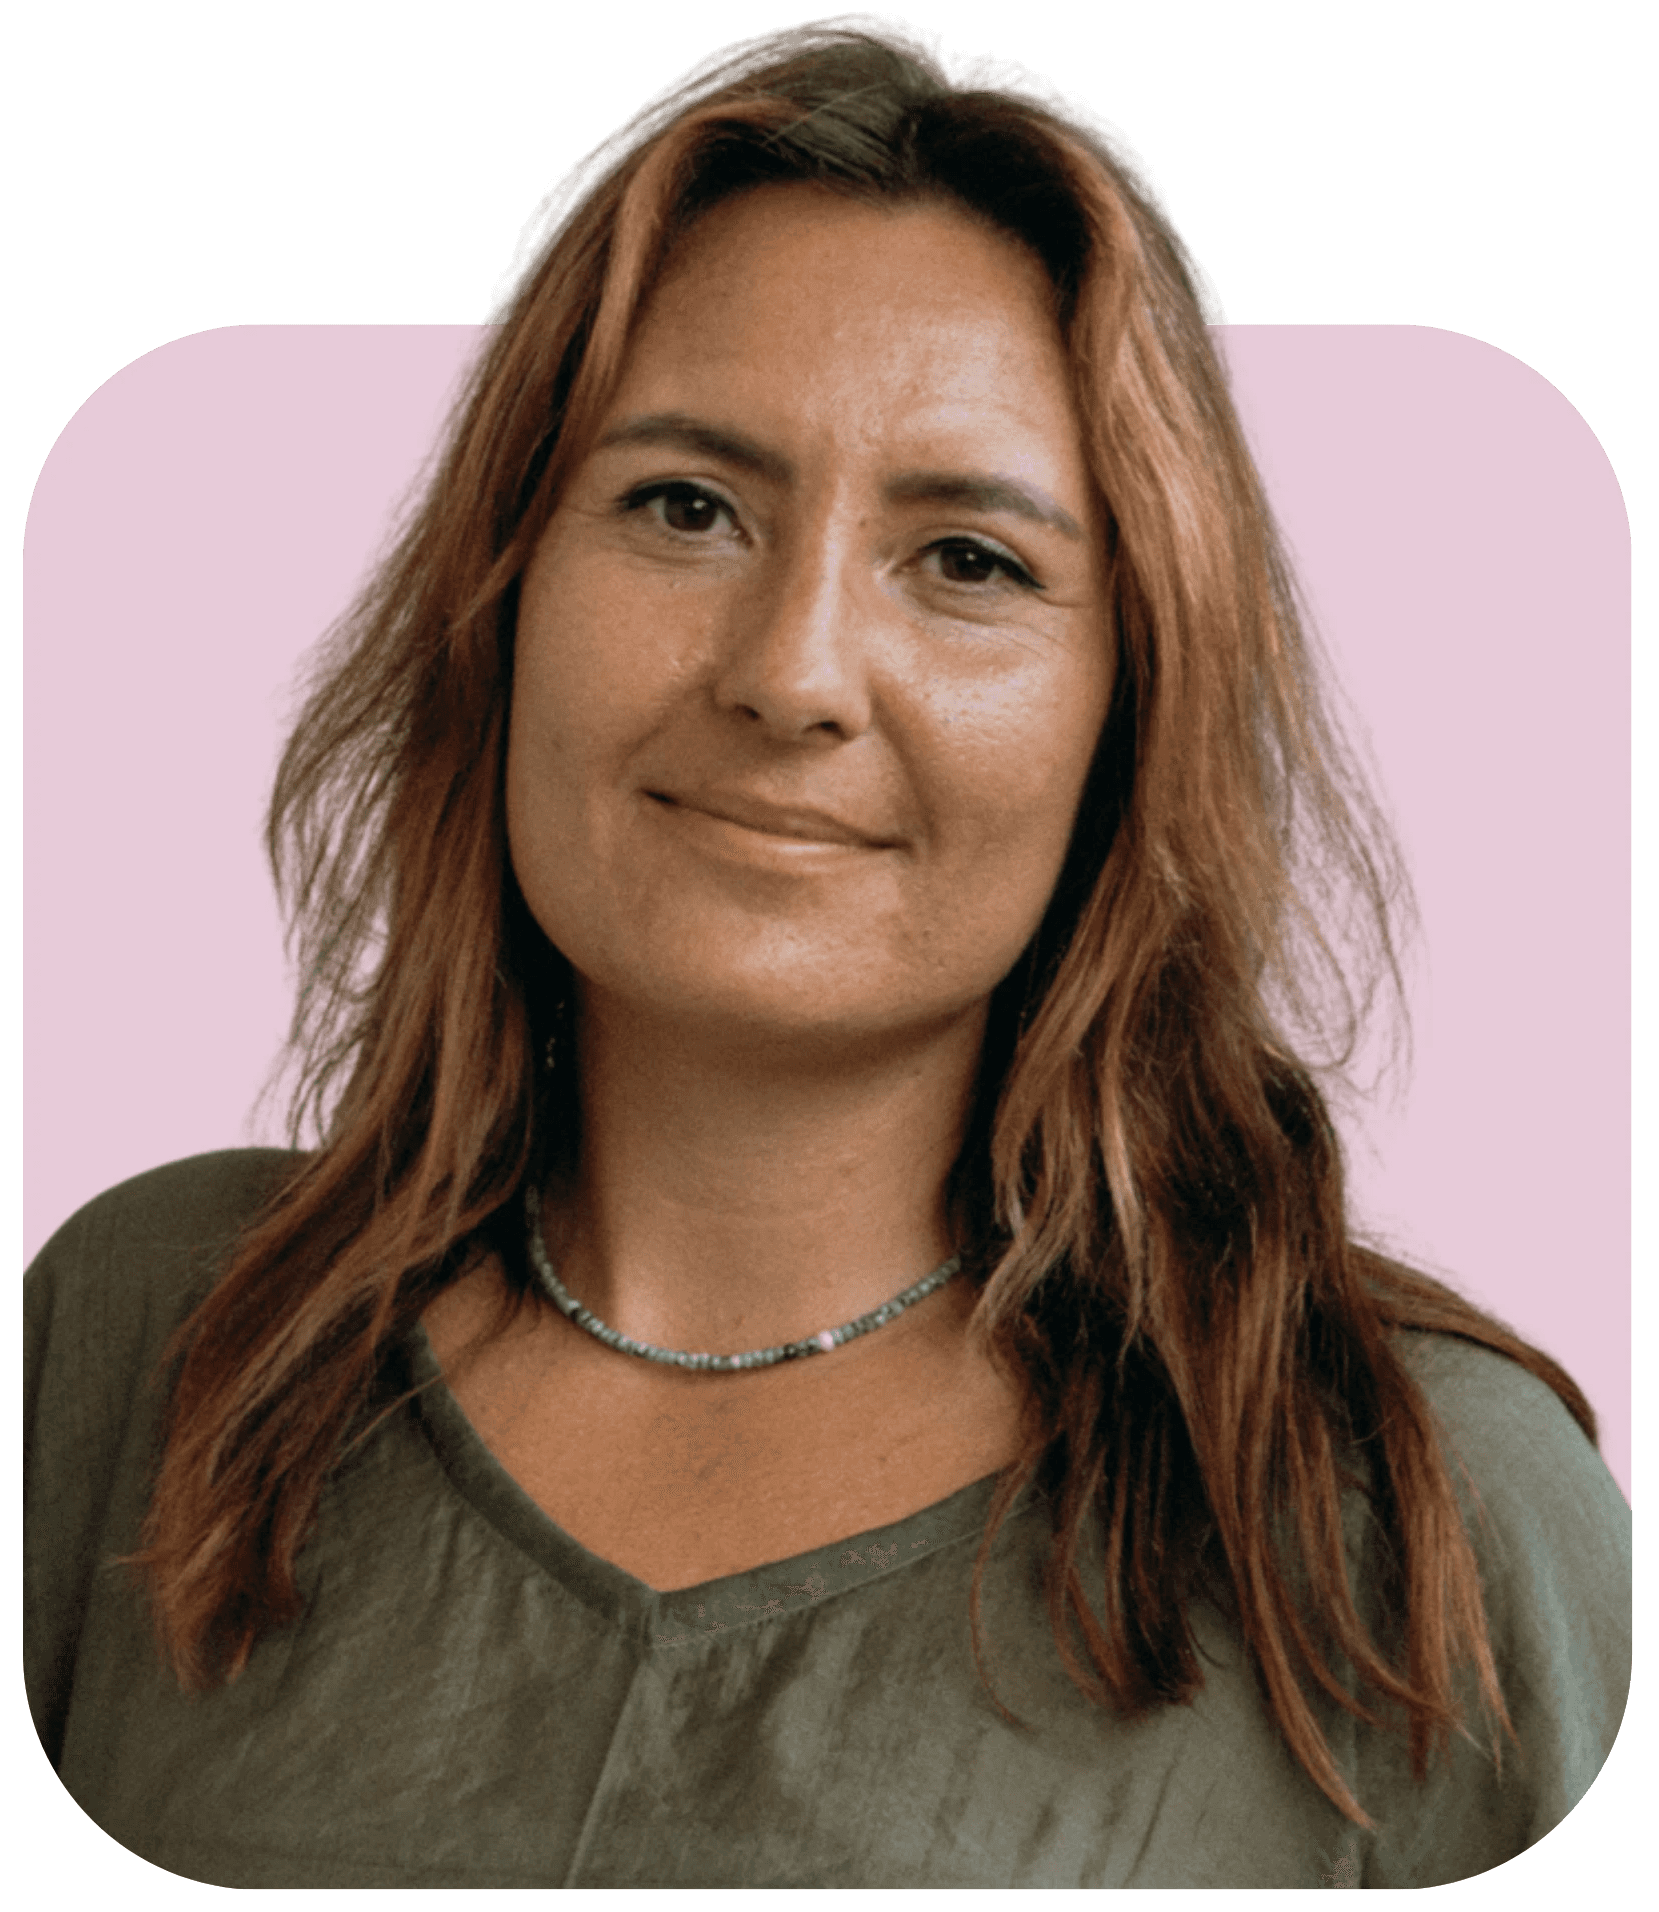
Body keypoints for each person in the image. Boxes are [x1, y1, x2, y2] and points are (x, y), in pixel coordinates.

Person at [23, 15, 1628, 1891]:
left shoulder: (1415, 1509)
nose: (790, 673)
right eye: (684, 507)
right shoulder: (143, 1338)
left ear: (1128, 718)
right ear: (502, 597)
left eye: (968, 561)